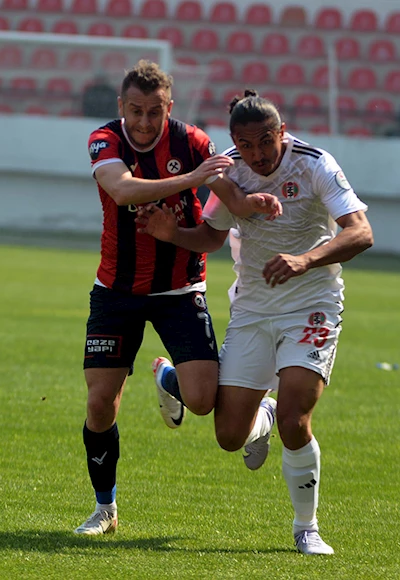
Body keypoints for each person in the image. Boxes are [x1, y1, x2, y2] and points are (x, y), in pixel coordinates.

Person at [138, 90, 374, 555]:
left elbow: (361, 231)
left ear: (282, 132)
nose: (259, 154)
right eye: (247, 145)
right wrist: (172, 234)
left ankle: (306, 528)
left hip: (312, 304)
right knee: (228, 438)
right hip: (252, 309)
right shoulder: (227, 170)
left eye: (266, 141)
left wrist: (305, 260)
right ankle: (213, 396)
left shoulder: (315, 164)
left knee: (295, 418)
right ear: (234, 143)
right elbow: (211, 235)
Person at [76, 63, 282, 535]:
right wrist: (192, 178)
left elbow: (223, 187)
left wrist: (249, 204)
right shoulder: (104, 139)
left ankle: (170, 376)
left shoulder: (192, 140)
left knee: (204, 402)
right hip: (116, 290)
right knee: (100, 403)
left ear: (169, 108)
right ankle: (104, 509)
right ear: (121, 108)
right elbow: (123, 189)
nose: (144, 122)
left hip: (180, 289)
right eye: (135, 111)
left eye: (153, 112)